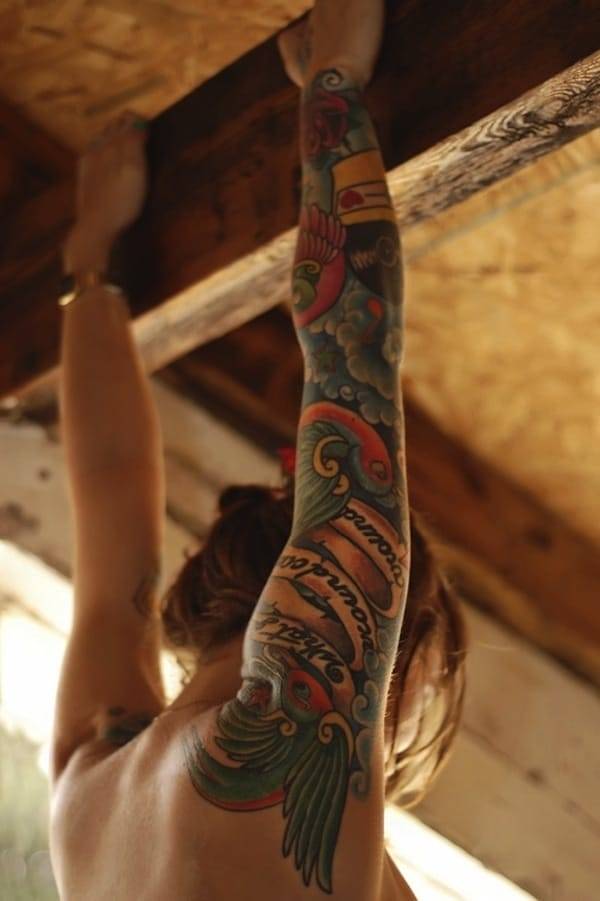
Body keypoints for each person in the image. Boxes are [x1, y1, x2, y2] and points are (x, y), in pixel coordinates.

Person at [50, 1, 467, 898]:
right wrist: (89, 261)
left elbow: (351, 362)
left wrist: (335, 88)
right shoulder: (97, 760)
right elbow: (109, 489)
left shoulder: (100, 781)